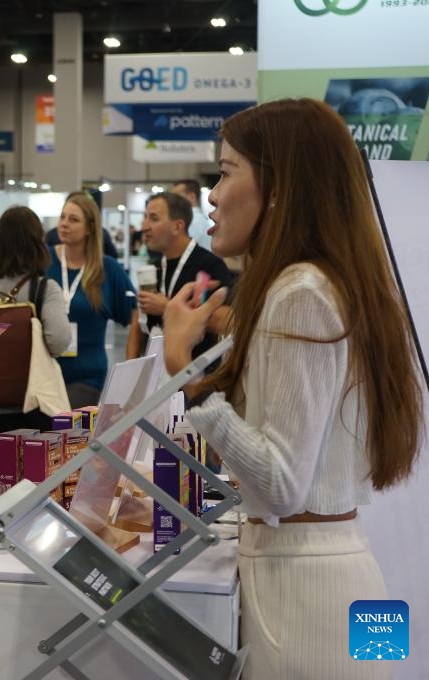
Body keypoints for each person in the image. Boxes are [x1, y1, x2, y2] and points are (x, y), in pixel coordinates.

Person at [163, 98, 423, 680]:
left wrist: (187, 373)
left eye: (226, 172)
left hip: (309, 596)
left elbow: (281, 484)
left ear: (278, 188)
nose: (211, 193)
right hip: (341, 575)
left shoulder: (300, 292)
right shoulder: (324, 282)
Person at [0, 206, 70, 480]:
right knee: (35, 491)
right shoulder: (44, 289)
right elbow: (59, 342)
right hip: (30, 411)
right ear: (36, 243)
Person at [46, 192, 136, 408]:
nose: (64, 224)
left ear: (89, 229)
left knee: (66, 433)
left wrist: (131, 368)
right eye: (63, 217)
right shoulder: (43, 261)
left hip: (87, 377)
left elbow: (134, 315)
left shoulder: (107, 269)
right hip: (45, 373)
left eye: (73, 219)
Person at [125, 191, 232, 360]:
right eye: (145, 217)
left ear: (177, 226)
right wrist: (131, 371)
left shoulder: (208, 265)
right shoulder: (154, 268)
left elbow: (226, 321)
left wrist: (168, 307)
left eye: (153, 218)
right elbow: (137, 322)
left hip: (194, 376)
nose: (144, 226)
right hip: (155, 375)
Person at [171, 178, 213, 252]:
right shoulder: (196, 218)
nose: (172, 202)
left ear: (192, 197)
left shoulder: (193, 220)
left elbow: (182, 250)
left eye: (177, 197)